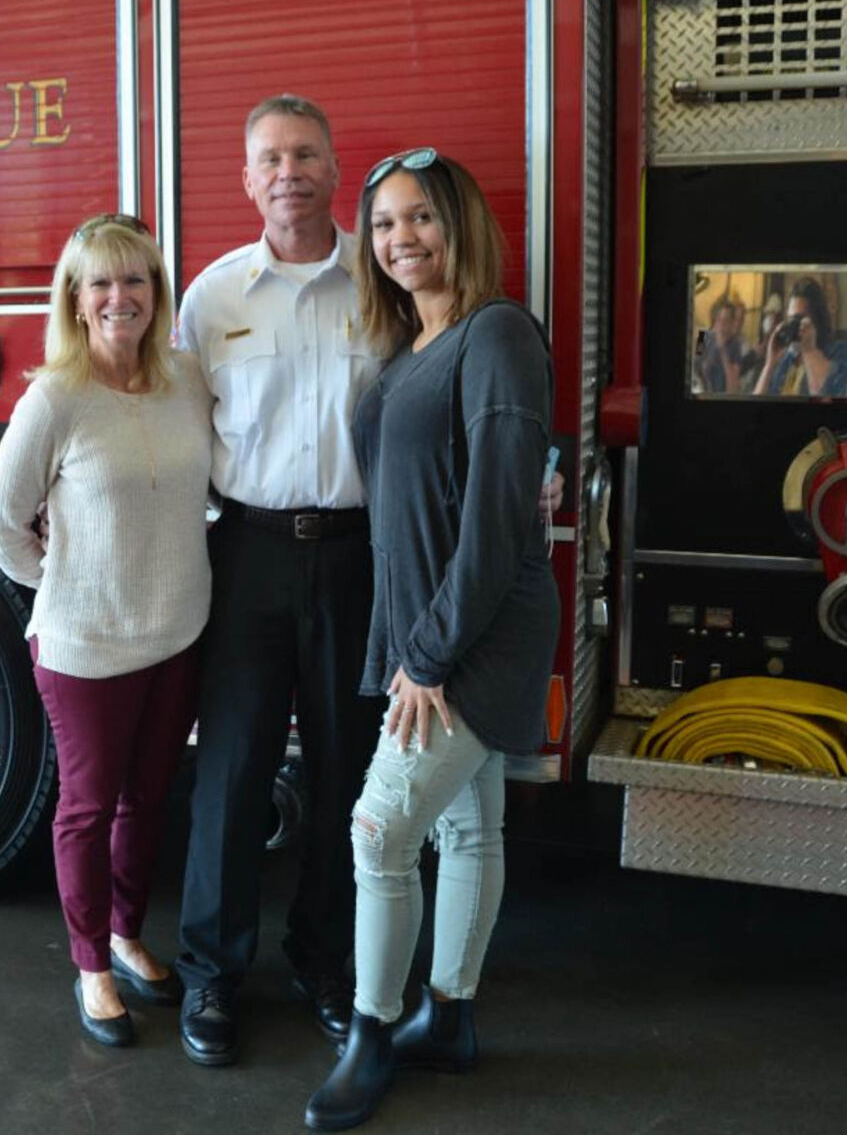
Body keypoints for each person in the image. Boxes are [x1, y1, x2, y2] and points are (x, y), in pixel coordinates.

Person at [304, 150, 558, 1130]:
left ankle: (371, 1033)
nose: (399, 238)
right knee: (465, 825)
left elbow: (497, 516)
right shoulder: (416, 345)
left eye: (419, 218)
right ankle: (448, 1018)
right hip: (432, 623)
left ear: (460, 224)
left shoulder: (495, 333)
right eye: (381, 224)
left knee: (380, 827)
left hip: (472, 632)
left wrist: (429, 652)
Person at [173, 95, 380, 1066]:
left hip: (356, 555)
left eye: (304, 153)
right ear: (246, 178)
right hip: (247, 552)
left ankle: (324, 963)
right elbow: (171, 436)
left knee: (346, 766)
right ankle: (211, 973)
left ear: (335, 168)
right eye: (269, 157)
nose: (287, 170)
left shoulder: (382, 285)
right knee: (233, 769)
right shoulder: (212, 297)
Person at [0, 213, 213, 1049]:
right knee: (87, 807)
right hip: (85, 648)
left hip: (177, 635)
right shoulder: (56, 396)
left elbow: (212, 483)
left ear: (158, 291)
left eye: (137, 279)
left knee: (149, 800)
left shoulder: (186, 378)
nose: (122, 297)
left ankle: (126, 931)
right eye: (102, 282)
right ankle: (91, 966)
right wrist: (68, 585)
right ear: (76, 299)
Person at [752, 277, 847, 397]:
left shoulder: (841, 351)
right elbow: (757, 402)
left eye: (799, 319)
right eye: (791, 319)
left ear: (817, 320)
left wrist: (810, 351)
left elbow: (827, 396)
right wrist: (769, 364)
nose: (793, 325)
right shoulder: (788, 358)